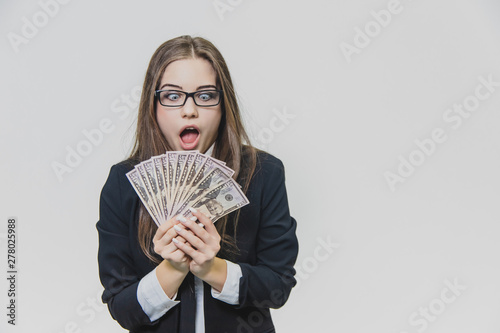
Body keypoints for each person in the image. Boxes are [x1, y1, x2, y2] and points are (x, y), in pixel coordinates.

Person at [96, 35, 299, 333]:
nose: (189, 110)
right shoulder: (122, 183)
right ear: (152, 104)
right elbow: (123, 309)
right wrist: (173, 268)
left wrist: (212, 268)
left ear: (223, 104)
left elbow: (278, 287)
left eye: (205, 96)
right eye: (173, 95)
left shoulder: (264, 173)